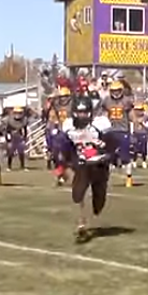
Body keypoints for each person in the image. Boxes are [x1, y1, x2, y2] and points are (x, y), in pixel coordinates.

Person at [58, 96, 113, 243]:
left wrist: (104, 153)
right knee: (78, 194)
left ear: (90, 112)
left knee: (98, 202)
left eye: (84, 112)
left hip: (99, 164)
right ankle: (82, 223)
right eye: (78, 112)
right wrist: (65, 164)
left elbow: (111, 144)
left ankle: (92, 215)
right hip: (83, 164)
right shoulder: (68, 125)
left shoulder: (100, 124)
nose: (81, 116)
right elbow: (66, 147)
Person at [100, 81, 135, 186]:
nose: (116, 93)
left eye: (118, 90)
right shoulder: (106, 101)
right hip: (111, 131)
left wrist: (133, 128)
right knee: (108, 157)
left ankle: (129, 177)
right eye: (114, 91)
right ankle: (106, 179)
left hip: (123, 130)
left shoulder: (126, 101)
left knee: (125, 156)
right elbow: (103, 113)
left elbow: (131, 115)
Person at [4, 106, 28, 171]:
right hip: (12, 137)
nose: (18, 114)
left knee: (21, 152)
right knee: (10, 153)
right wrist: (8, 140)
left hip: (20, 138)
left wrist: (25, 138)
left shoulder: (24, 120)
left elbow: (25, 130)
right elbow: (7, 131)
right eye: (17, 113)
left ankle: (22, 166)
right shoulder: (9, 120)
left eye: (20, 113)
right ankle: (9, 166)